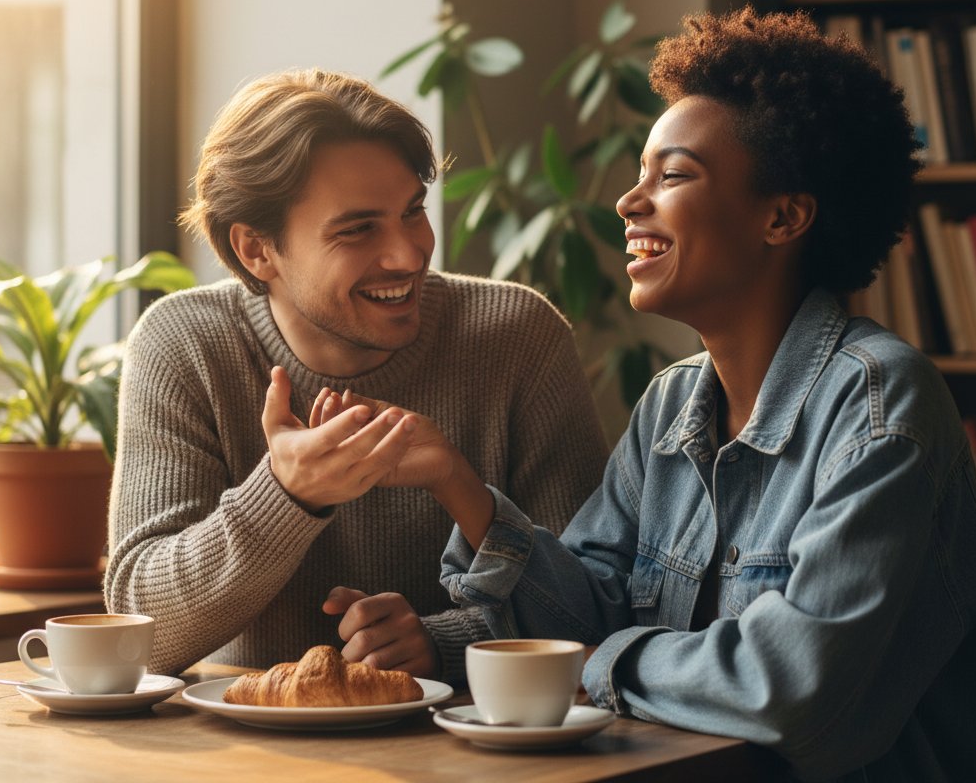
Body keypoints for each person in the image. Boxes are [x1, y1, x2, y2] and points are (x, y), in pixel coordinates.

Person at [369, 8, 976, 780]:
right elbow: (589, 611)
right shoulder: (670, 407)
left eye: (671, 176)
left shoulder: (880, 405)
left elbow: (790, 683)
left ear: (784, 216)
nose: (629, 203)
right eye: (639, 176)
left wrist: (605, 664)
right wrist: (457, 484)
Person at [104, 67, 608, 683]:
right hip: (238, 750)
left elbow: (591, 605)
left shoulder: (517, 335)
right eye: (358, 229)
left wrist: (439, 643)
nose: (408, 254)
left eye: (413, 212)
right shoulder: (185, 343)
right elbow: (139, 634)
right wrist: (287, 494)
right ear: (257, 250)